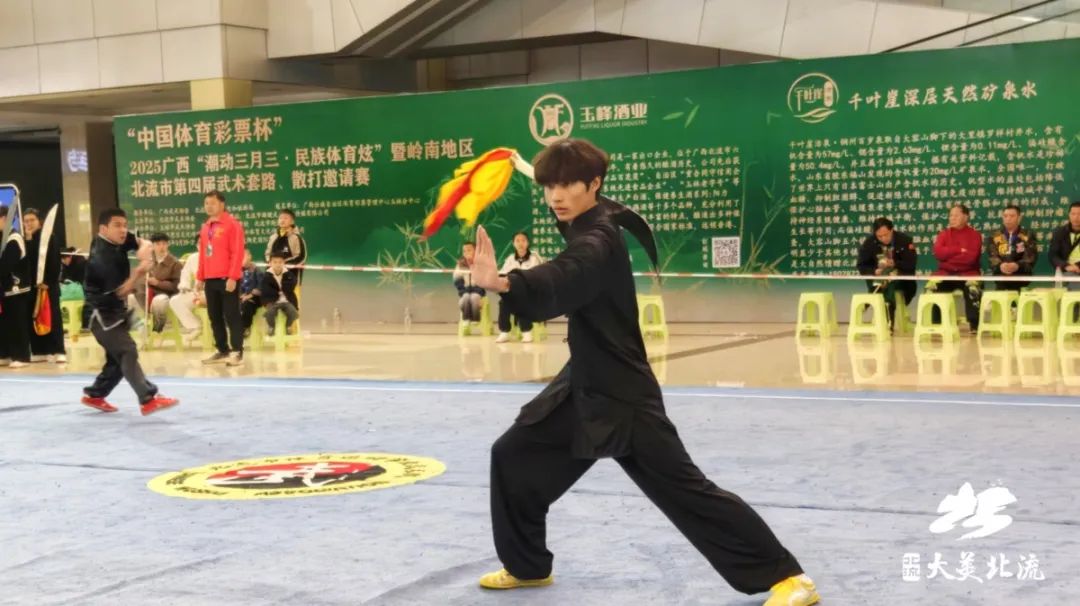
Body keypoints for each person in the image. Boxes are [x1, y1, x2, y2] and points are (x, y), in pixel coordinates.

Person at [469, 139, 818, 606]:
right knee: (513, 457)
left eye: (567, 185)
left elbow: (567, 273)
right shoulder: (587, 210)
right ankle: (527, 566)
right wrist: (532, 168)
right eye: (549, 186)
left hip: (622, 394)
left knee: (685, 491)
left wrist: (503, 282)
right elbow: (563, 193)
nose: (556, 196)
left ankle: (789, 577)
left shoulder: (597, 240)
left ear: (594, 184)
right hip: (584, 383)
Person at [81, 208, 178, 415]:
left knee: (118, 359)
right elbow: (123, 291)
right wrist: (139, 272)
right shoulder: (102, 259)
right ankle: (148, 398)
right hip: (101, 313)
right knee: (127, 350)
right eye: (117, 225)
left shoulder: (116, 240)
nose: (123, 230)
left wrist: (145, 249)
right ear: (104, 229)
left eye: (125, 225)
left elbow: (144, 243)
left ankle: (95, 394)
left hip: (117, 310)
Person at [196, 190, 246, 366]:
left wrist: (233, 277)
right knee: (214, 316)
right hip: (210, 279)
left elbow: (237, 252)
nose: (209, 206)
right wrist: (200, 277)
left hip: (227, 278)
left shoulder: (233, 224)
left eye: (213, 203)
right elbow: (203, 254)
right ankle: (222, 350)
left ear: (222, 204)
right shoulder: (205, 227)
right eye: (206, 203)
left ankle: (237, 352)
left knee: (232, 315)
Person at [928, 204, 983, 333]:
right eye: (951, 215)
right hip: (946, 273)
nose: (952, 218)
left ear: (966, 217)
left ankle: (974, 325)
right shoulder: (943, 234)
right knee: (934, 287)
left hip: (968, 273)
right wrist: (958, 250)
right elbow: (938, 253)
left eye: (956, 215)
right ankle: (937, 324)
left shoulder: (975, 235)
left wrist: (948, 258)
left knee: (972, 289)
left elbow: (970, 258)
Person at [855, 217, 917, 330]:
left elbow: (911, 264)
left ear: (892, 230)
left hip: (902, 281)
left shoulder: (904, 240)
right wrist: (874, 271)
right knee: (883, 285)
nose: (883, 238)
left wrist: (895, 264)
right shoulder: (870, 243)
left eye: (886, 235)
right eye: (879, 236)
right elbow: (861, 265)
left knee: (890, 285)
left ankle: (869, 304)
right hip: (878, 278)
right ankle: (888, 325)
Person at [23, 208, 66, 363]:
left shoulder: (49, 237)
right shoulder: (25, 239)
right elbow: (26, 263)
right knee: (33, 317)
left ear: (39, 221)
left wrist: (48, 282)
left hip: (48, 286)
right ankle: (39, 350)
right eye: (26, 221)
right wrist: (28, 240)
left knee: (52, 317)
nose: (29, 223)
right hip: (31, 287)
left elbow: (55, 261)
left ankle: (58, 350)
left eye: (32, 220)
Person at [495, 232, 544, 343]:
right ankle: (504, 332)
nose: (520, 243)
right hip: (513, 291)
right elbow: (503, 273)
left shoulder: (534, 257)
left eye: (523, 240)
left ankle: (526, 332)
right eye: (517, 241)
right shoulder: (510, 258)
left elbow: (540, 274)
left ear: (528, 243)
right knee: (503, 302)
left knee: (522, 300)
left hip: (531, 292)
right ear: (513, 243)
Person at [0, 205, 32, 369]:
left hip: (17, 288)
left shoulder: (14, 238)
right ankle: (5, 353)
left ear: (5, 219)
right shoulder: (3, 238)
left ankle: (22, 355)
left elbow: (6, 265)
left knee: (17, 323)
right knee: (5, 323)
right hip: (4, 290)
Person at [134, 233, 182, 333]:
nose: (161, 247)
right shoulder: (148, 260)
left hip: (166, 295)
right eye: (158, 244)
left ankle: (158, 328)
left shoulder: (175, 263)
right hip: (149, 293)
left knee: (159, 300)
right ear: (153, 246)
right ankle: (142, 325)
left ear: (168, 245)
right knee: (131, 297)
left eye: (164, 244)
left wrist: (158, 283)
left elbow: (177, 287)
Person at [986, 204, 1037, 292]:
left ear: (1019, 218)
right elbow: (992, 256)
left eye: (1012, 216)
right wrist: (1000, 265)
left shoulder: (1028, 235)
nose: (1008, 219)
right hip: (1001, 277)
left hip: (1021, 278)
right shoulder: (995, 235)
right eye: (1005, 216)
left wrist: (1017, 266)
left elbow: (1030, 257)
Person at [169, 247, 204, 346]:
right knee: (175, 300)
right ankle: (195, 327)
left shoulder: (217, 256)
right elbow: (185, 274)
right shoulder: (193, 258)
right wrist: (185, 286)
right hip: (196, 293)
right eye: (200, 243)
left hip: (212, 293)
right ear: (197, 245)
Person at [265, 208, 307, 285]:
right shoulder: (273, 237)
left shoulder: (296, 238)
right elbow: (267, 254)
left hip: (291, 276)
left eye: (285, 218)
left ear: (292, 221)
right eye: (280, 218)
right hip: (273, 276)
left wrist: (283, 264)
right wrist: (271, 263)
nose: (282, 220)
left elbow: (301, 257)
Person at [260, 252, 299, 336]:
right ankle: (271, 326)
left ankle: (288, 325)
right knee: (270, 312)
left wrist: (282, 286)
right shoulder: (266, 276)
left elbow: (291, 286)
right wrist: (278, 291)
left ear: (284, 263)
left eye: (280, 262)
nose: (278, 264)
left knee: (293, 312)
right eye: (275, 262)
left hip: (287, 300)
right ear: (270, 263)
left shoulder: (289, 274)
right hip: (272, 301)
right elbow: (266, 291)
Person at [1048, 201, 1080, 291]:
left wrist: (1077, 266)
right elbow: (1053, 255)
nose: (1076, 217)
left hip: (1077, 268)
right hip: (1066, 270)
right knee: (1072, 279)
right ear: (1069, 215)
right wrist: (1066, 266)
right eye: (1073, 214)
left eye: (1079, 214)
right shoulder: (1059, 232)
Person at [453, 242, 485, 322]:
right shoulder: (460, 264)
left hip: (478, 292)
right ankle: (466, 320)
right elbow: (457, 280)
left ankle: (475, 319)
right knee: (466, 297)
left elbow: (484, 281)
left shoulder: (481, 264)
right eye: (464, 251)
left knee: (474, 297)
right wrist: (464, 291)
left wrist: (477, 291)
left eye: (469, 250)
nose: (466, 252)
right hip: (464, 291)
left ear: (476, 251)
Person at [239, 249, 264, 334]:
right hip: (241, 296)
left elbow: (261, 286)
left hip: (254, 297)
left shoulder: (256, 270)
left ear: (250, 257)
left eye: (243, 256)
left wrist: (250, 295)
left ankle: (246, 327)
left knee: (247, 305)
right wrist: (240, 295)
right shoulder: (237, 270)